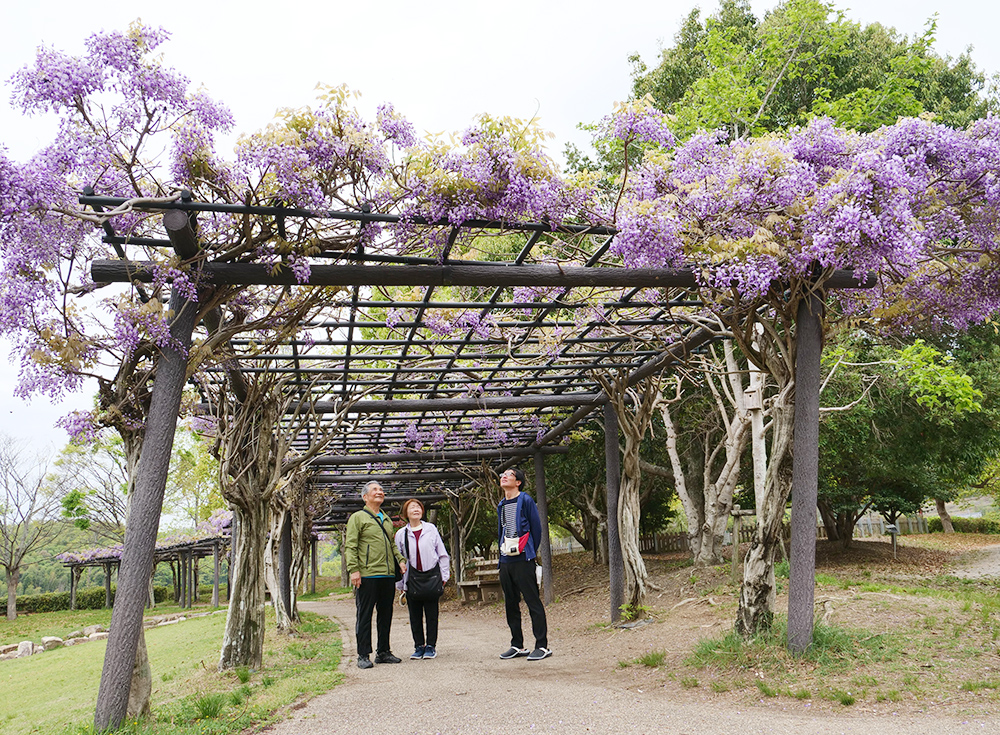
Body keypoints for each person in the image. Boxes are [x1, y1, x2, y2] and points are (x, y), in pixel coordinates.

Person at [344, 480, 407, 669]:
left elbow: (391, 544)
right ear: (365, 497)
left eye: (381, 489)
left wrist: (400, 560)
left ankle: (383, 652)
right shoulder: (358, 517)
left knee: (385, 614)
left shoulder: (386, 519)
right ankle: (363, 655)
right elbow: (351, 545)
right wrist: (354, 570)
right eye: (375, 490)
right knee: (364, 615)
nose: (380, 492)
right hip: (367, 574)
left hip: (387, 575)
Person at [496, 467, 551, 661]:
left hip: (523, 559)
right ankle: (517, 645)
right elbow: (500, 531)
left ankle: (542, 645)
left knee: (532, 601)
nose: (504, 476)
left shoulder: (526, 500)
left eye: (509, 474)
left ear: (518, 482)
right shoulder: (501, 504)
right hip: (505, 560)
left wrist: (529, 551)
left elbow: (536, 529)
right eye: (503, 474)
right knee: (510, 604)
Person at [394, 497, 450, 660]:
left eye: (418, 507)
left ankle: (431, 646)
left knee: (432, 614)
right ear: (406, 513)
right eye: (412, 507)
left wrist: (444, 576)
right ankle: (419, 646)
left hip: (432, 577)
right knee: (414, 615)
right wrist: (400, 584)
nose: (416, 509)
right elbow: (399, 559)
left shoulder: (431, 529)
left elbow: (442, 553)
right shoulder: (401, 534)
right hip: (412, 579)